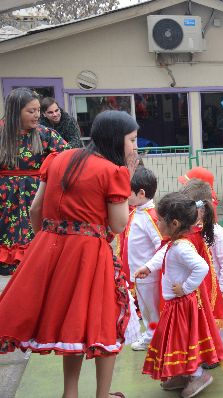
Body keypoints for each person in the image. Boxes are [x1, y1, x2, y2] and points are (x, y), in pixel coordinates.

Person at [0, 110, 139, 398]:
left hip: (49, 246)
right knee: (103, 322)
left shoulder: (58, 158)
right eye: (132, 140)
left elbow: (35, 210)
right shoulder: (114, 172)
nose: (135, 147)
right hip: (89, 253)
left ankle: (70, 393)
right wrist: (129, 178)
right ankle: (103, 395)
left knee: (71, 326)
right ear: (116, 139)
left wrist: (49, 241)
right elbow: (119, 223)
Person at [136, 192, 223, 398]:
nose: (157, 223)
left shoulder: (181, 247)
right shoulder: (176, 242)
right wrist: (149, 267)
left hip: (182, 304)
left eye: (160, 220)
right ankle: (183, 373)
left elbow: (202, 267)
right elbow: (163, 254)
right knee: (176, 341)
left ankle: (197, 375)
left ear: (175, 223)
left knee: (183, 341)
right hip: (175, 304)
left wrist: (186, 288)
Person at [0, 88, 68, 275]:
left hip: (37, 194)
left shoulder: (46, 134)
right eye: (31, 111)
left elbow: (67, 157)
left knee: (36, 232)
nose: (37, 115)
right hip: (5, 197)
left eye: (38, 110)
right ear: (15, 111)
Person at [180, 179, 223, 335]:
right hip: (202, 287)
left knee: (217, 323)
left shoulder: (217, 233)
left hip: (217, 288)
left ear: (202, 209)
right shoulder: (192, 230)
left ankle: (218, 351)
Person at [121, 166, 162, 352]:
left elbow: (160, 245)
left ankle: (153, 337)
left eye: (128, 191)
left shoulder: (150, 216)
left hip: (148, 276)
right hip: (141, 274)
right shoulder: (138, 211)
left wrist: (149, 267)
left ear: (141, 193)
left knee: (151, 310)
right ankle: (152, 335)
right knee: (146, 309)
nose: (125, 195)